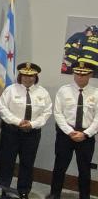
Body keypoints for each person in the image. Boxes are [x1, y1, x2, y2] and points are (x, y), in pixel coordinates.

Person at [0, 62, 52, 199]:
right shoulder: (10, 90)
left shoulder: (43, 92)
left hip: (32, 133)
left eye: (31, 76)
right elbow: (2, 108)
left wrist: (32, 124)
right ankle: (2, 189)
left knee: (27, 163)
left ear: (36, 76)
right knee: (6, 161)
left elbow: (46, 112)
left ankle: (23, 190)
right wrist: (18, 121)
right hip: (11, 131)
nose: (28, 78)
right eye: (24, 75)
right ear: (20, 76)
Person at [48, 61, 98, 199]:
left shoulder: (96, 93)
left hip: (86, 136)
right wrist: (70, 131)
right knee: (59, 167)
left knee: (84, 169)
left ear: (90, 75)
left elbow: (97, 118)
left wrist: (85, 134)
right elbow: (58, 113)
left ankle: (84, 196)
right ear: (74, 74)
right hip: (65, 135)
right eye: (77, 74)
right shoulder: (63, 91)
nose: (80, 77)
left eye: (84, 74)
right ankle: (54, 194)